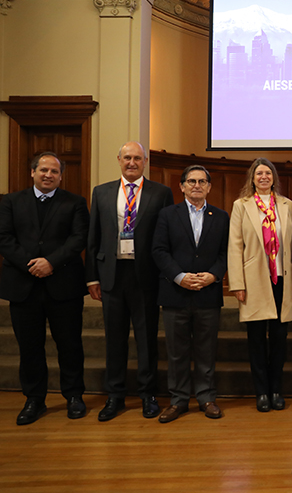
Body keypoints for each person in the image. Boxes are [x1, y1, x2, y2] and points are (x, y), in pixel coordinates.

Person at [86, 141, 174, 421]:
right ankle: (115, 395)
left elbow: (167, 239)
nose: (132, 162)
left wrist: (165, 276)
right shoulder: (102, 192)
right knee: (114, 338)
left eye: (137, 158)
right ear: (119, 159)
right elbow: (93, 237)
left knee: (147, 338)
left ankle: (148, 394)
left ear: (145, 161)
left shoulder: (161, 193)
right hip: (112, 274)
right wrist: (91, 278)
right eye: (127, 158)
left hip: (145, 275)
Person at [0, 152, 89, 425]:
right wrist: (30, 265)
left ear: (61, 176)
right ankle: (34, 399)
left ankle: (74, 396)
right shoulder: (11, 202)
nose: (48, 175)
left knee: (70, 344)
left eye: (54, 171)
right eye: (43, 170)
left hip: (63, 285)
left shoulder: (74, 203)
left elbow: (78, 238)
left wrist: (51, 262)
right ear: (33, 172)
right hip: (23, 286)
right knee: (30, 347)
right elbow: (4, 238)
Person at [152, 165, 229, 423]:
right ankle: (178, 400)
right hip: (176, 292)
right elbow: (159, 251)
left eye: (202, 181)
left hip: (208, 293)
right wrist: (180, 276)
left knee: (206, 349)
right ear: (182, 186)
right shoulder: (166, 215)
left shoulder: (220, 216)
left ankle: (206, 398)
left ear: (209, 186)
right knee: (177, 351)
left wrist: (213, 275)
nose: (197, 185)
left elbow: (225, 253)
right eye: (191, 181)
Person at [228, 158, 292, 412]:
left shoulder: (287, 205)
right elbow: (235, 246)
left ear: (274, 178)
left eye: (268, 173)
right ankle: (261, 393)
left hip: (282, 278)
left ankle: (276, 390)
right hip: (253, 282)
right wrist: (237, 282)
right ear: (252, 178)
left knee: (280, 340)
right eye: (259, 173)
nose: (263, 177)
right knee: (257, 340)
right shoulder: (242, 206)